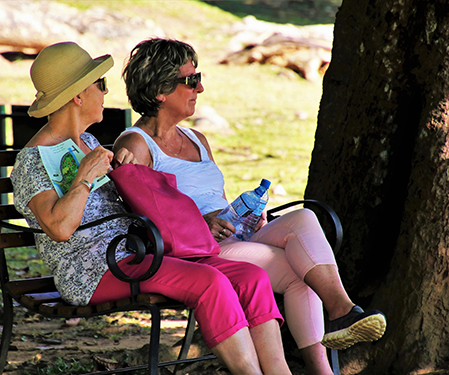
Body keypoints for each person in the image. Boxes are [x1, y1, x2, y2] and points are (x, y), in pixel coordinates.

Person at [10, 41, 293, 375]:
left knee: (251, 276)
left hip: (135, 256)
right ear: (77, 95)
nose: (106, 92)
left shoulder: (87, 143)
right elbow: (59, 228)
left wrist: (128, 172)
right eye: (99, 84)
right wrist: (84, 177)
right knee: (209, 283)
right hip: (92, 272)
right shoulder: (32, 161)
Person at [113, 37, 387, 375]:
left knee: (303, 219)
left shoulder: (198, 139)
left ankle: (339, 315)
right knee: (299, 270)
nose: (200, 88)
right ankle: (334, 332)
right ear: (160, 91)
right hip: (195, 252)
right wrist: (204, 222)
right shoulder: (136, 144)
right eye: (190, 80)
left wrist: (243, 215)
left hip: (231, 238)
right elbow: (144, 215)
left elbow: (215, 200)